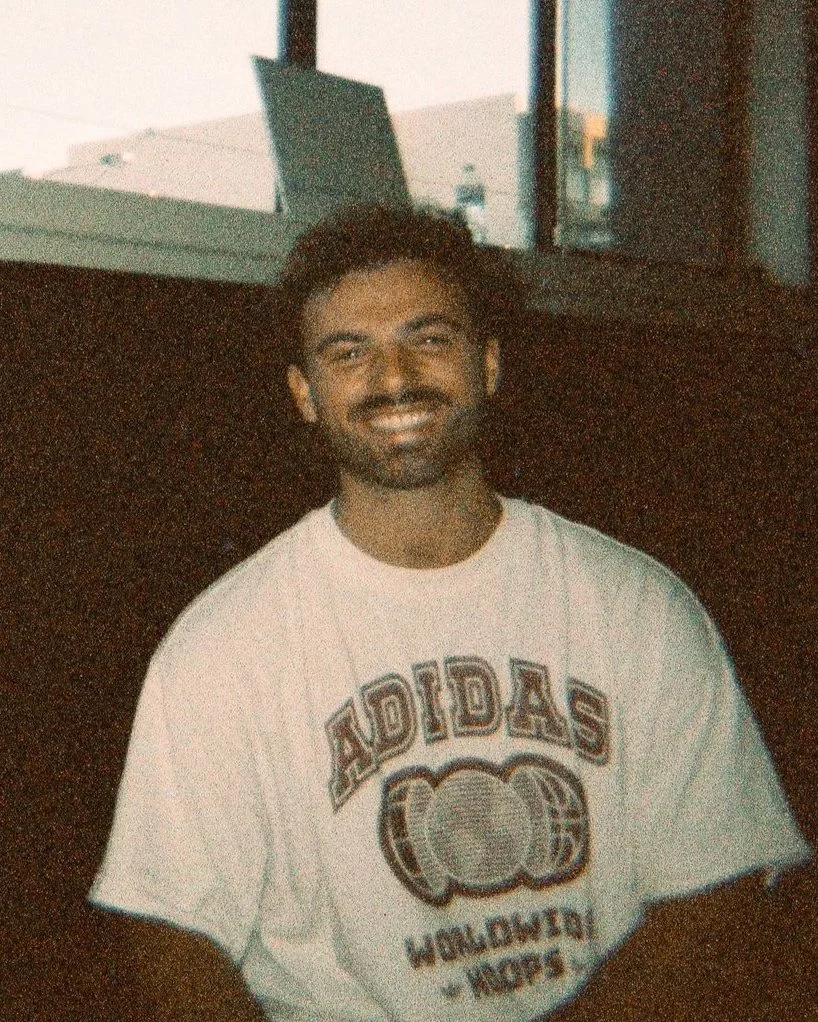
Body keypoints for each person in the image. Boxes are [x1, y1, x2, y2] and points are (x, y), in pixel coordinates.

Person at [90, 204, 812, 1022]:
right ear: (304, 394)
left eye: (429, 339)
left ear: (489, 363)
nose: (394, 377)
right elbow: (171, 937)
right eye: (348, 352)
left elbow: (717, 898)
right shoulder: (221, 649)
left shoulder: (636, 609)